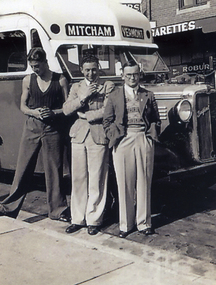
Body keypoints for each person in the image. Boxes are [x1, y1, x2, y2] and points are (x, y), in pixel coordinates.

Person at [0, 47, 70, 222]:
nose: (35, 69)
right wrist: (35, 113)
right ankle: (8, 207)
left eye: (38, 66)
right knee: (23, 168)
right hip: (32, 127)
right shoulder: (28, 80)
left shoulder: (61, 80)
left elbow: (67, 108)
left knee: (54, 171)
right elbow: (23, 106)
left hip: (52, 129)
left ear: (45, 63)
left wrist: (53, 113)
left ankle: (58, 210)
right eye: (32, 66)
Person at [103, 61, 161, 238]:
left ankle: (144, 223)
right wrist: (116, 137)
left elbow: (155, 119)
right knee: (124, 183)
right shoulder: (114, 95)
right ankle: (126, 224)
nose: (132, 78)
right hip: (123, 140)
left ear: (139, 75)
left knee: (144, 182)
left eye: (135, 74)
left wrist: (150, 136)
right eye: (128, 75)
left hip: (143, 138)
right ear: (123, 76)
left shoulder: (148, 95)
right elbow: (107, 121)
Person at [63, 54, 114, 235]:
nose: (91, 73)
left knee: (97, 178)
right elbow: (66, 109)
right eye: (87, 70)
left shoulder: (107, 86)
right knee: (78, 178)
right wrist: (83, 98)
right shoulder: (76, 87)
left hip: (98, 135)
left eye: (94, 69)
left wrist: (87, 115)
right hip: (78, 136)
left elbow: (108, 109)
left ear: (98, 69)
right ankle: (77, 218)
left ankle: (94, 219)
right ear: (81, 70)